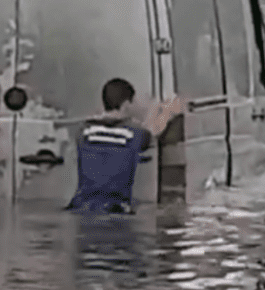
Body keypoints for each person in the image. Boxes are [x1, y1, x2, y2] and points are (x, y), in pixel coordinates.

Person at [66, 78, 185, 214]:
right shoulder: (133, 133)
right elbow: (152, 132)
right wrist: (168, 112)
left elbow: (109, 129)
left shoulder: (84, 132)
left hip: (81, 205)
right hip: (114, 208)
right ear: (127, 104)